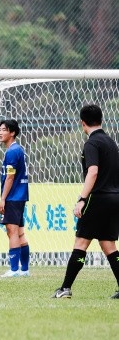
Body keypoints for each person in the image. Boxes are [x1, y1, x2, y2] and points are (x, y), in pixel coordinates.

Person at [53, 105, 119, 299]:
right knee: (109, 246)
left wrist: (82, 199)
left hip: (97, 198)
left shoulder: (92, 143)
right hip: (114, 198)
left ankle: (65, 288)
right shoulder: (111, 143)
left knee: (81, 243)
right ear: (101, 119)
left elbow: (93, 172)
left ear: (82, 122)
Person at [0, 119, 31, 277]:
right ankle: (24, 270)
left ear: (13, 132)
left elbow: (10, 177)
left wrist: (3, 198)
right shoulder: (18, 149)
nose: (0, 132)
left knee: (12, 232)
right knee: (19, 233)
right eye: (0, 129)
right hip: (20, 196)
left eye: (4, 129)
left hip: (13, 197)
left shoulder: (12, 151)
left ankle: (14, 269)